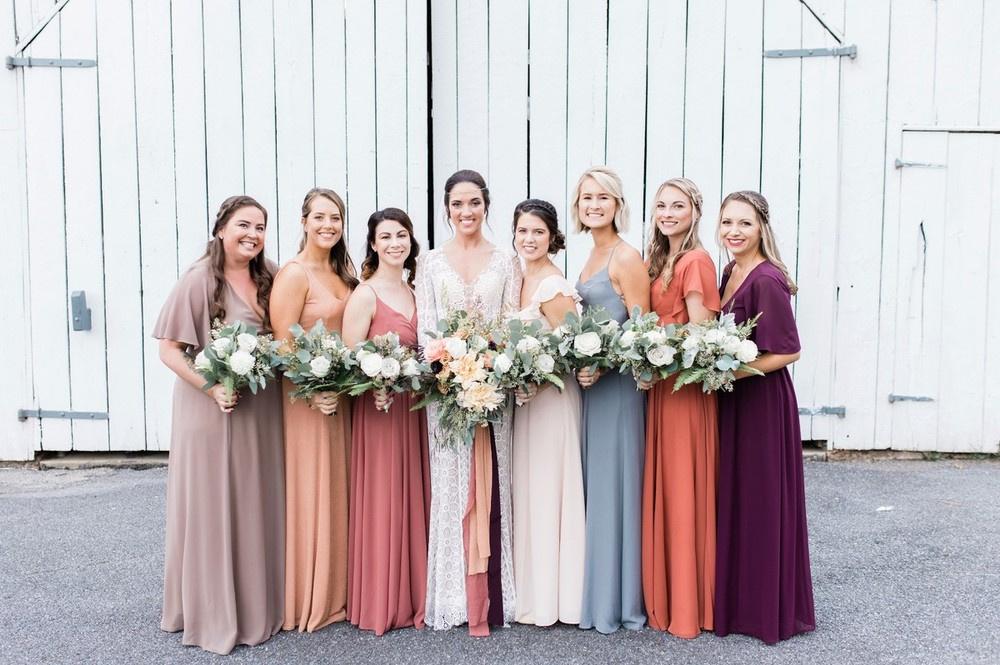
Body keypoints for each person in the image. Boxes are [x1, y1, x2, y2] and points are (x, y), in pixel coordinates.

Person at [155, 195, 284, 654]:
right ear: (221, 229)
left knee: (254, 501)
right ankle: (214, 611)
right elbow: (169, 349)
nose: (252, 234)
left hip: (260, 409)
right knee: (215, 505)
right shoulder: (198, 279)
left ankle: (256, 605)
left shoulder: (268, 275)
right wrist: (211, 386)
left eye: (261, 227)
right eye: (243, 225)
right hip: (211, 409)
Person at [415, 169, 521, 635]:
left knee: (493, 481)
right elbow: (426, 325)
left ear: (486, 205)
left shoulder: (506, 261)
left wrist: (493, 365)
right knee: (454, 485)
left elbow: (512, 320)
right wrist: (447, 371)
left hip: (493, 390)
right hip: (447, 389)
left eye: (474, 203)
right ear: (447, 208)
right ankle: (453, 595)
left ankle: (496, 594)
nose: (466, 212)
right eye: (458, 204)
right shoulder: (432, 262)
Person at [714, 190, 815, 644]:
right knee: (736, 498)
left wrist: (737, 369)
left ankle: (766, 611)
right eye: (727, 223)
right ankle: (738, 603)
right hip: (734, 400)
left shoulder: (766, 279)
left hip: (762, 404)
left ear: (762, 229)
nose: (734, 232)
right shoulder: (730, 271)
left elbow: (789, 350)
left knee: (761, 501)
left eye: (745, 224)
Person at [269, 188, 358, 632]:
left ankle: (341, 591)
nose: (328, 225)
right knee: (314, 492)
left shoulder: (345, 271)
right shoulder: (294, 274)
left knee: (341, 489)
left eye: (336, 217)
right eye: (319, 216)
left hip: (344, 397)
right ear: (304, 221)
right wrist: (312, 392)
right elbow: (283, 346)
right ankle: (312, 597)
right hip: (309, 401)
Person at [341, 208, 431, 635]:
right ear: (373, 245)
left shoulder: (418, 292)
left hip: (416, 409)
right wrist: (373, 382)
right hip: (380, 410)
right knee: (384, 497)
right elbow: (349, 357)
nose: (395, 243)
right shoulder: (365, 294)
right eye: (386, 237)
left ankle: (416, 593)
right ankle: (382, 599)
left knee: (416, 493)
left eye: (402, 235)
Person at [638, 178, 720, 637]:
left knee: (683, 488)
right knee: (666, 486)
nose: (668, 213)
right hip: (659, 388)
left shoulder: (696, 261)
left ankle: (688, 605)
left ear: (694, 213)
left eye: (678, 206)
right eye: (662, 205)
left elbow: (700, 331)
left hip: (683, 391)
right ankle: (666, 597)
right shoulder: (659, 260)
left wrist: (653, 350)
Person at [572, 166, 650, 633]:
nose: (594, 204)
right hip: (590, 390)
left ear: (618, 204)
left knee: (615, 490)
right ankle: (596, 594)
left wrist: (603, 363)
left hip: (618, 390)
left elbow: (641, 331)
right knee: (595, 489)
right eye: (586, 198)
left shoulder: (625, 256)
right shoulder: (589, 254)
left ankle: (618, 603)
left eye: (603, 197)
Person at [508, 199, 586, 626]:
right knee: (531, 487)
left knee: (552, 486)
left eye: (538, 231)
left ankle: (562, 595)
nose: (529, 239)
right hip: (527, 402)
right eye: (522, 231)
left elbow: (574, 348)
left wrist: (539, 375)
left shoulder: (553, 285)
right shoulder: (520, 278)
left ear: (552, 236)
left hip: (553, 399)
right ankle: (533, 591)